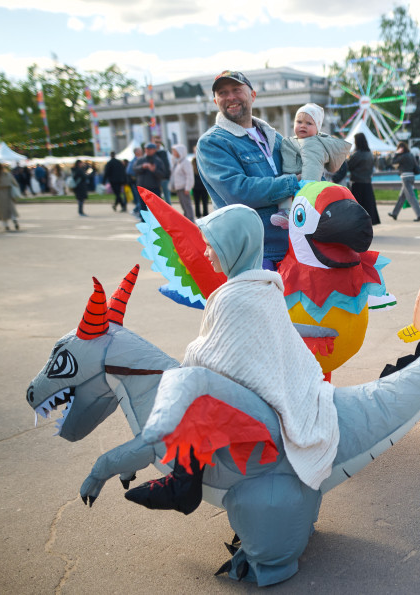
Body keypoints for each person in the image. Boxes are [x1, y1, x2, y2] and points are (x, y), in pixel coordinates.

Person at [126, 204, 339, 514]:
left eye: (213, 245)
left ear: (234, 247)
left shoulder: (234, 295)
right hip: (280, 388)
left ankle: (183, 482)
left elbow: (212, 358)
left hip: (261, 399)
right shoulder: (265, 286)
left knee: (193, 393)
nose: (207, 252)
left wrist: (187, 361)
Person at [196, 70, 301, 269]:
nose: (230, 97)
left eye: (236, 90)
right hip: (255, 253)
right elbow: (239, 192)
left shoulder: (274, 137)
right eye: (223, 93)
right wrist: (293, 182)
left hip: (294, 246)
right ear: (215, 101)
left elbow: (303, 170)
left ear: (252, 95)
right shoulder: (213, 143)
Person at [276, 103, 351, 218]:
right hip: (293, 178)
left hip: (306, 182)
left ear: (317, 129)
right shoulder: (292, 141)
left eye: (309, 123)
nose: (303, 126)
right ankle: (286, 212)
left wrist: (307, 187)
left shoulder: (312, 143)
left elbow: (312, 168)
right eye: (299, 122)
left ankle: (290, 212)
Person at [347, 132, 380, 225]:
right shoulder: (369, 154)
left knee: (357, 206)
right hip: (367, 183)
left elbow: (349, 165)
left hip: (357, 183)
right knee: (368, 206)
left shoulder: (358, 154)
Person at [387, 142, 420, 221]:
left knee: (411, 197)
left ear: (401, 149)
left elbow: (393, 162)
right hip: (411, 177)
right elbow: (415, 165)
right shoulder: (411, 155)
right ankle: (395, 213)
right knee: (402, 197)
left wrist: (397, 153)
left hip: (405, 177)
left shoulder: (403, 156)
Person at [133, 143, 169, 211]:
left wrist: (154, 170)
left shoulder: (158, 161)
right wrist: (142, 167)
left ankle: (154, 221)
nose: (147, 150)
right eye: (146, 149)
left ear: (154, 150)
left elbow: (162, 174)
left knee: (155, 209)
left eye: (149, 149)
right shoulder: (141, 160)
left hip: (154, 188)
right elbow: (134, 169)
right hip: (142, 188)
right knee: (143, 208)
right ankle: (144, 221)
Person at [0, 161, 20, 231]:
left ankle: (6, 225)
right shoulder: (7, 174)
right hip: (8, 192)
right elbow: (14, 182)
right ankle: (14, 220)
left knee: (2, 210)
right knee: (11, 208)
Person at [169, 144, 196, 221]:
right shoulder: (179, 162)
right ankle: (187, 220)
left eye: (175, 152)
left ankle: (191, 221)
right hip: (179, 188)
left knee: (187, 205)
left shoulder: (185, 162)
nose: (173, 153)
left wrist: (188, 188)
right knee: (183, 206)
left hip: (184, 188)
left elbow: (189, 175)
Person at [151, 135, 172, 204]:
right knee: (156, 199)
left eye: (159, 142)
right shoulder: (150, 153)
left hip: (165, 178)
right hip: (154, 179)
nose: (158, 144)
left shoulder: (165, 152)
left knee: (167, 198)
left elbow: (170, 164)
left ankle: (169, 214)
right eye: (156, 142)